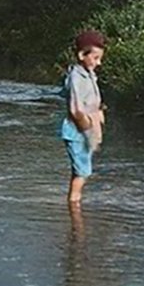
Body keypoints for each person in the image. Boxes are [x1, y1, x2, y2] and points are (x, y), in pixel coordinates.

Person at [61, 30, 106, 207]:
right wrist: (89, 132)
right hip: (77, 131)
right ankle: (74, 206)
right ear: (81, 55)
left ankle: (75, 202)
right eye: (95, 58)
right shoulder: (76, 77)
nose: (98, 62)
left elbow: (91, 100)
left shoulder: (88, 74)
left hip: (84, 128)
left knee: (81, 168)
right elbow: (75, 109)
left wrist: (100, 110)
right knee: (83, 172)